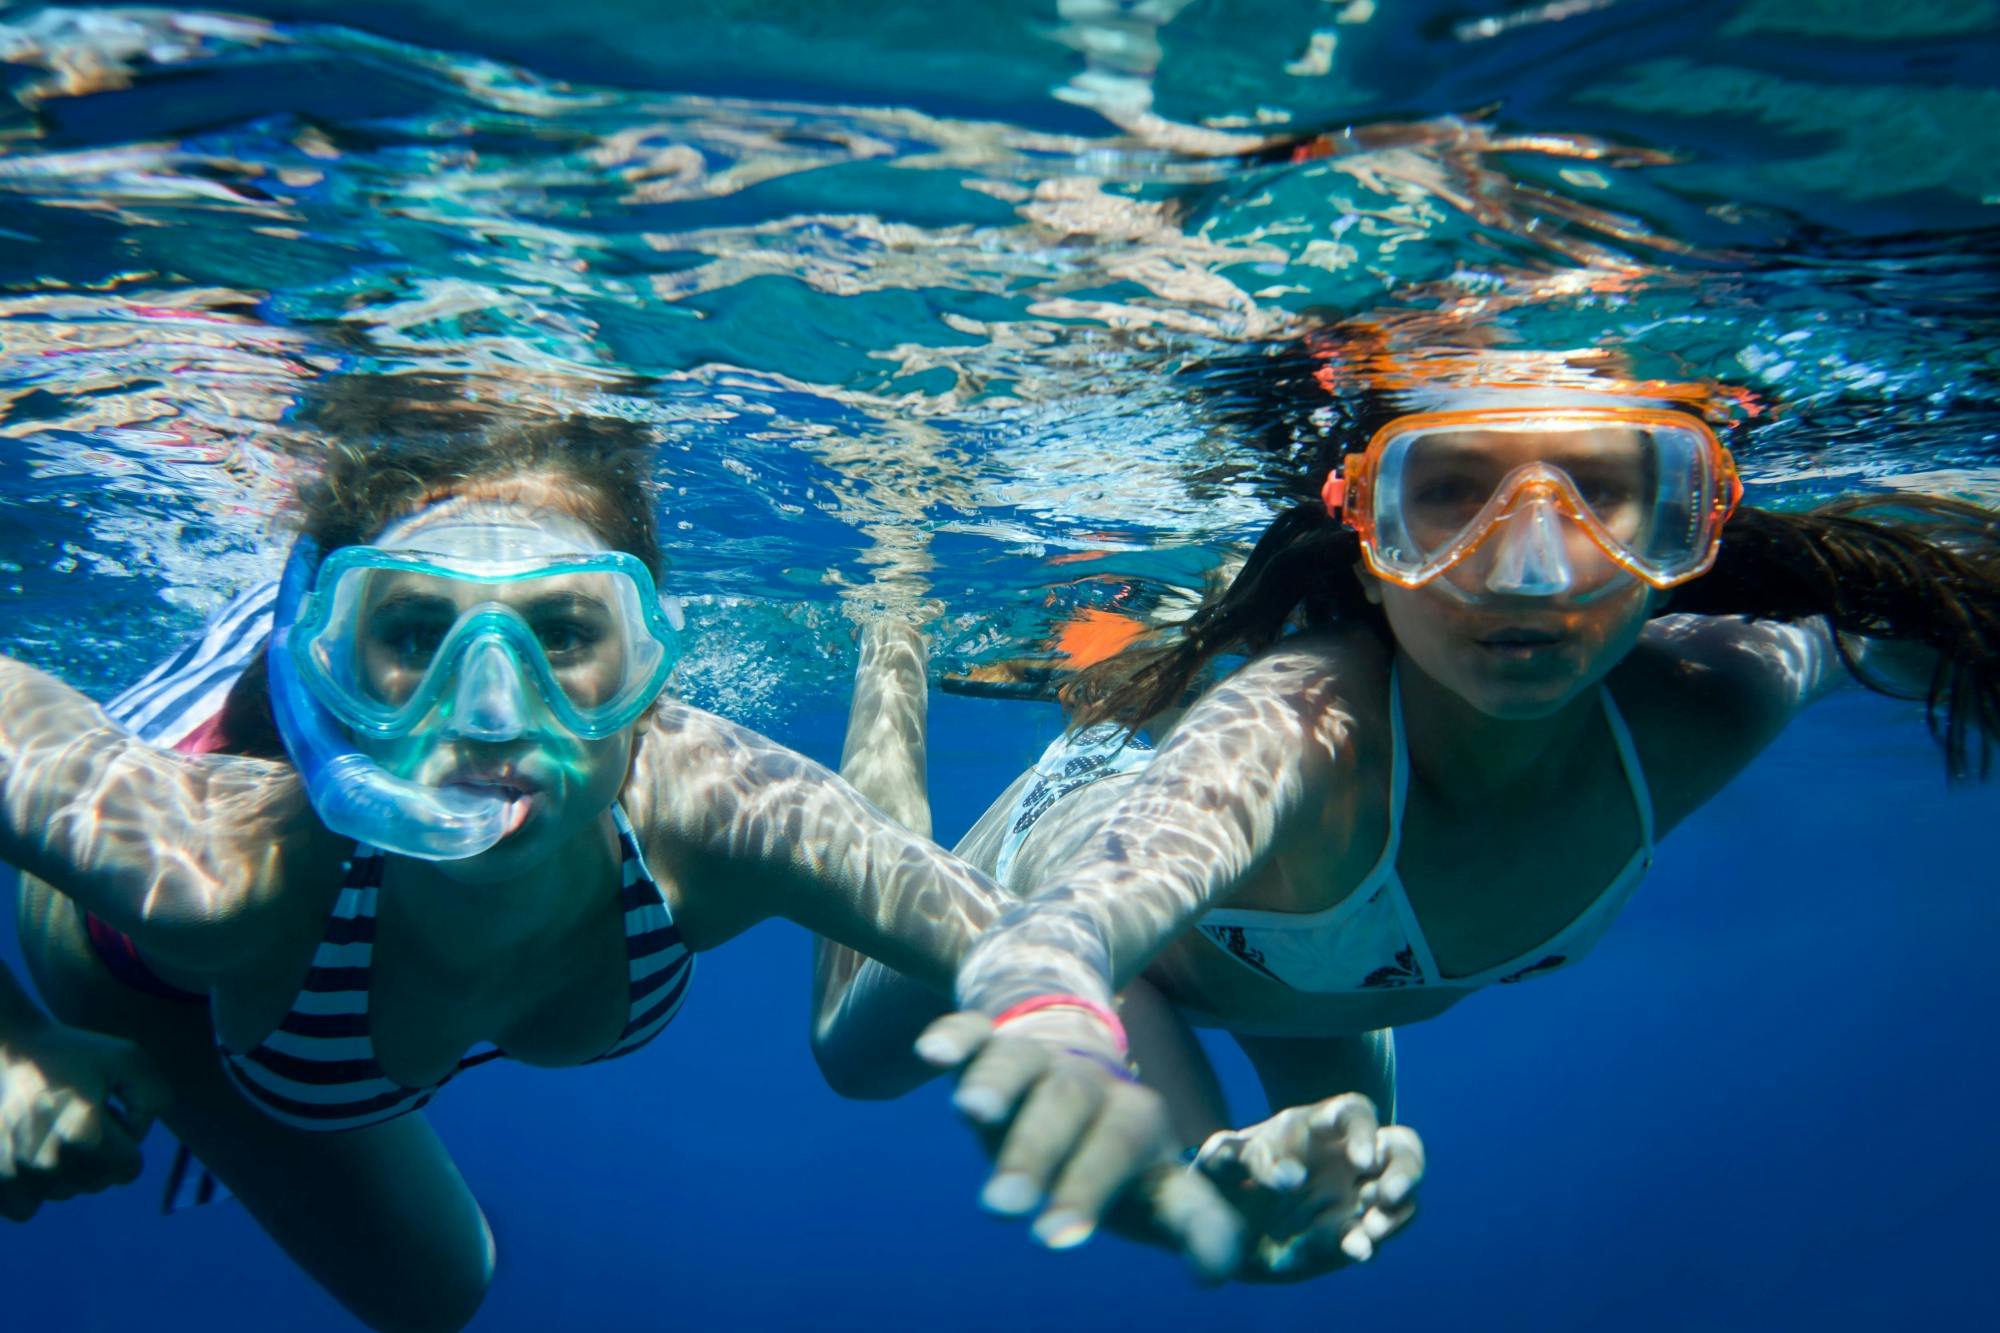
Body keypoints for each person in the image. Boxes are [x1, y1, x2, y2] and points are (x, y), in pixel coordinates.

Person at [0, 378, 1247, 1332]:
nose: (491, 712)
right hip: (134, 974)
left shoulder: (712, 809)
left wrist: (1082, 1050)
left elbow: (1002, 933)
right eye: (414, 631)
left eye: (563, 633)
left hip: (316, 1001)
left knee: (433, 1294)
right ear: (332, 671)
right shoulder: (217, 867)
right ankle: (200, 1059)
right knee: (431, 1281)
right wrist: (17, 1041)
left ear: (651, 674)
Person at [812, 343, 2000, 1278]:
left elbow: (1906, 613)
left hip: (1315, 960)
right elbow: (1073, 925)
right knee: (850, 1059)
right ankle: (893, 628)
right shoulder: (1294, 727)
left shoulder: (1712, 699)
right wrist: (1061, 1036)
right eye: (1446, 498)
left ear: (1685, 530)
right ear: (1366, 536)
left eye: (1597, 495)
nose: (1528, 570)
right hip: (1085, 864)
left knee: (1310, 1215)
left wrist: (1242, 1196)